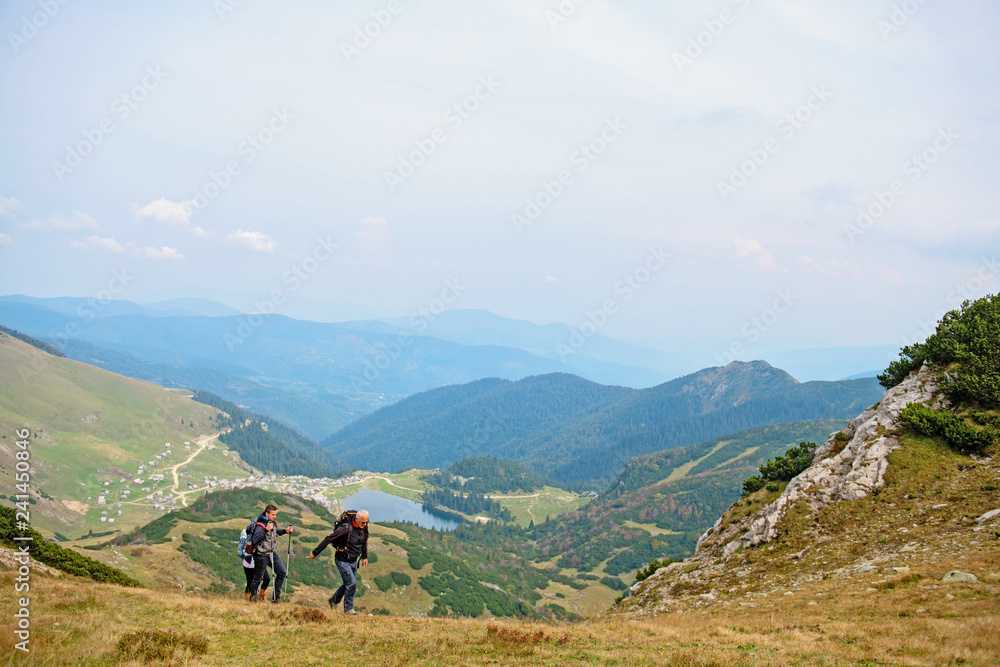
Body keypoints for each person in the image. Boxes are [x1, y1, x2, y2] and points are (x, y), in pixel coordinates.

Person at [307, 509, 369, 615]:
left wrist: (364, 557)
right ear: (357, 519)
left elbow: (364, 542)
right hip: (342, 560)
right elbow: (328, 539)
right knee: (352, 584)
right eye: (363, 522)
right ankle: (348, 609)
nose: (365, 524)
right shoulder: (346, 528)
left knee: (347, 584)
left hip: (354, 560)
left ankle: (333, 601)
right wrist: (314, 553)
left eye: (367, 522)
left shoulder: (364, 527)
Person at [247, 504, 295, 603]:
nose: (274, 516)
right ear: (266, 514)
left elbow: (274, 533)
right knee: (258, 579)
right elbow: (255, 539)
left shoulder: (271, 523)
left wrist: (285, 531)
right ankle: (253, 599)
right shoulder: (260, 525)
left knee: (282, 572)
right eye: (272, 514)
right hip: (261, 555)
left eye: (275, 514)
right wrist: (265, 530)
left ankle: (276, 598)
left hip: (271, 553)